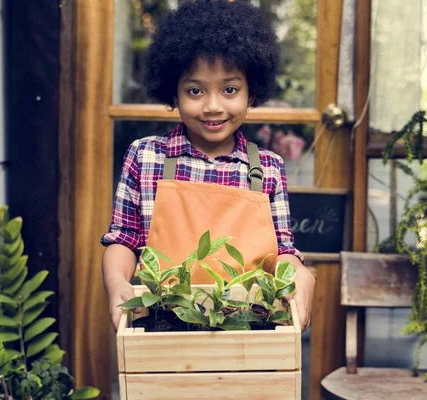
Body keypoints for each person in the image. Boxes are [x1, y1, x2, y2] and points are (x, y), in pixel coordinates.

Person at [101, 0, 314, 333]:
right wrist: (117, 282)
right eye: (195, 90)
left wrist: (298, 273)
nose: (213, 106)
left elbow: (282, 251)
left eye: (229, 89)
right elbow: (124, 240)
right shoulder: (145, 157)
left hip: (248, 330)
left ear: (252, 91)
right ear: (173, 91)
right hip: (161, 328)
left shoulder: (267, 167)